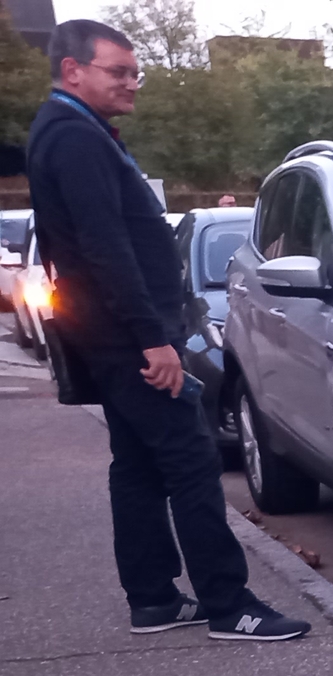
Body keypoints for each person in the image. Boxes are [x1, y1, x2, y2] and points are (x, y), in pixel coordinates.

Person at [26, 19, 308, 642]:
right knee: (191, 461)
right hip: (131, 338)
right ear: (74, 70)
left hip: (109, 333)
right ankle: (229, 605)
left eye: (135, 73)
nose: (132, 84)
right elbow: (105, 248)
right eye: (118, 72)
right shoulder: (75, 138)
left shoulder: (68, 131)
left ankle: (152, 597)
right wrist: (152, 339)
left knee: (137, 465)